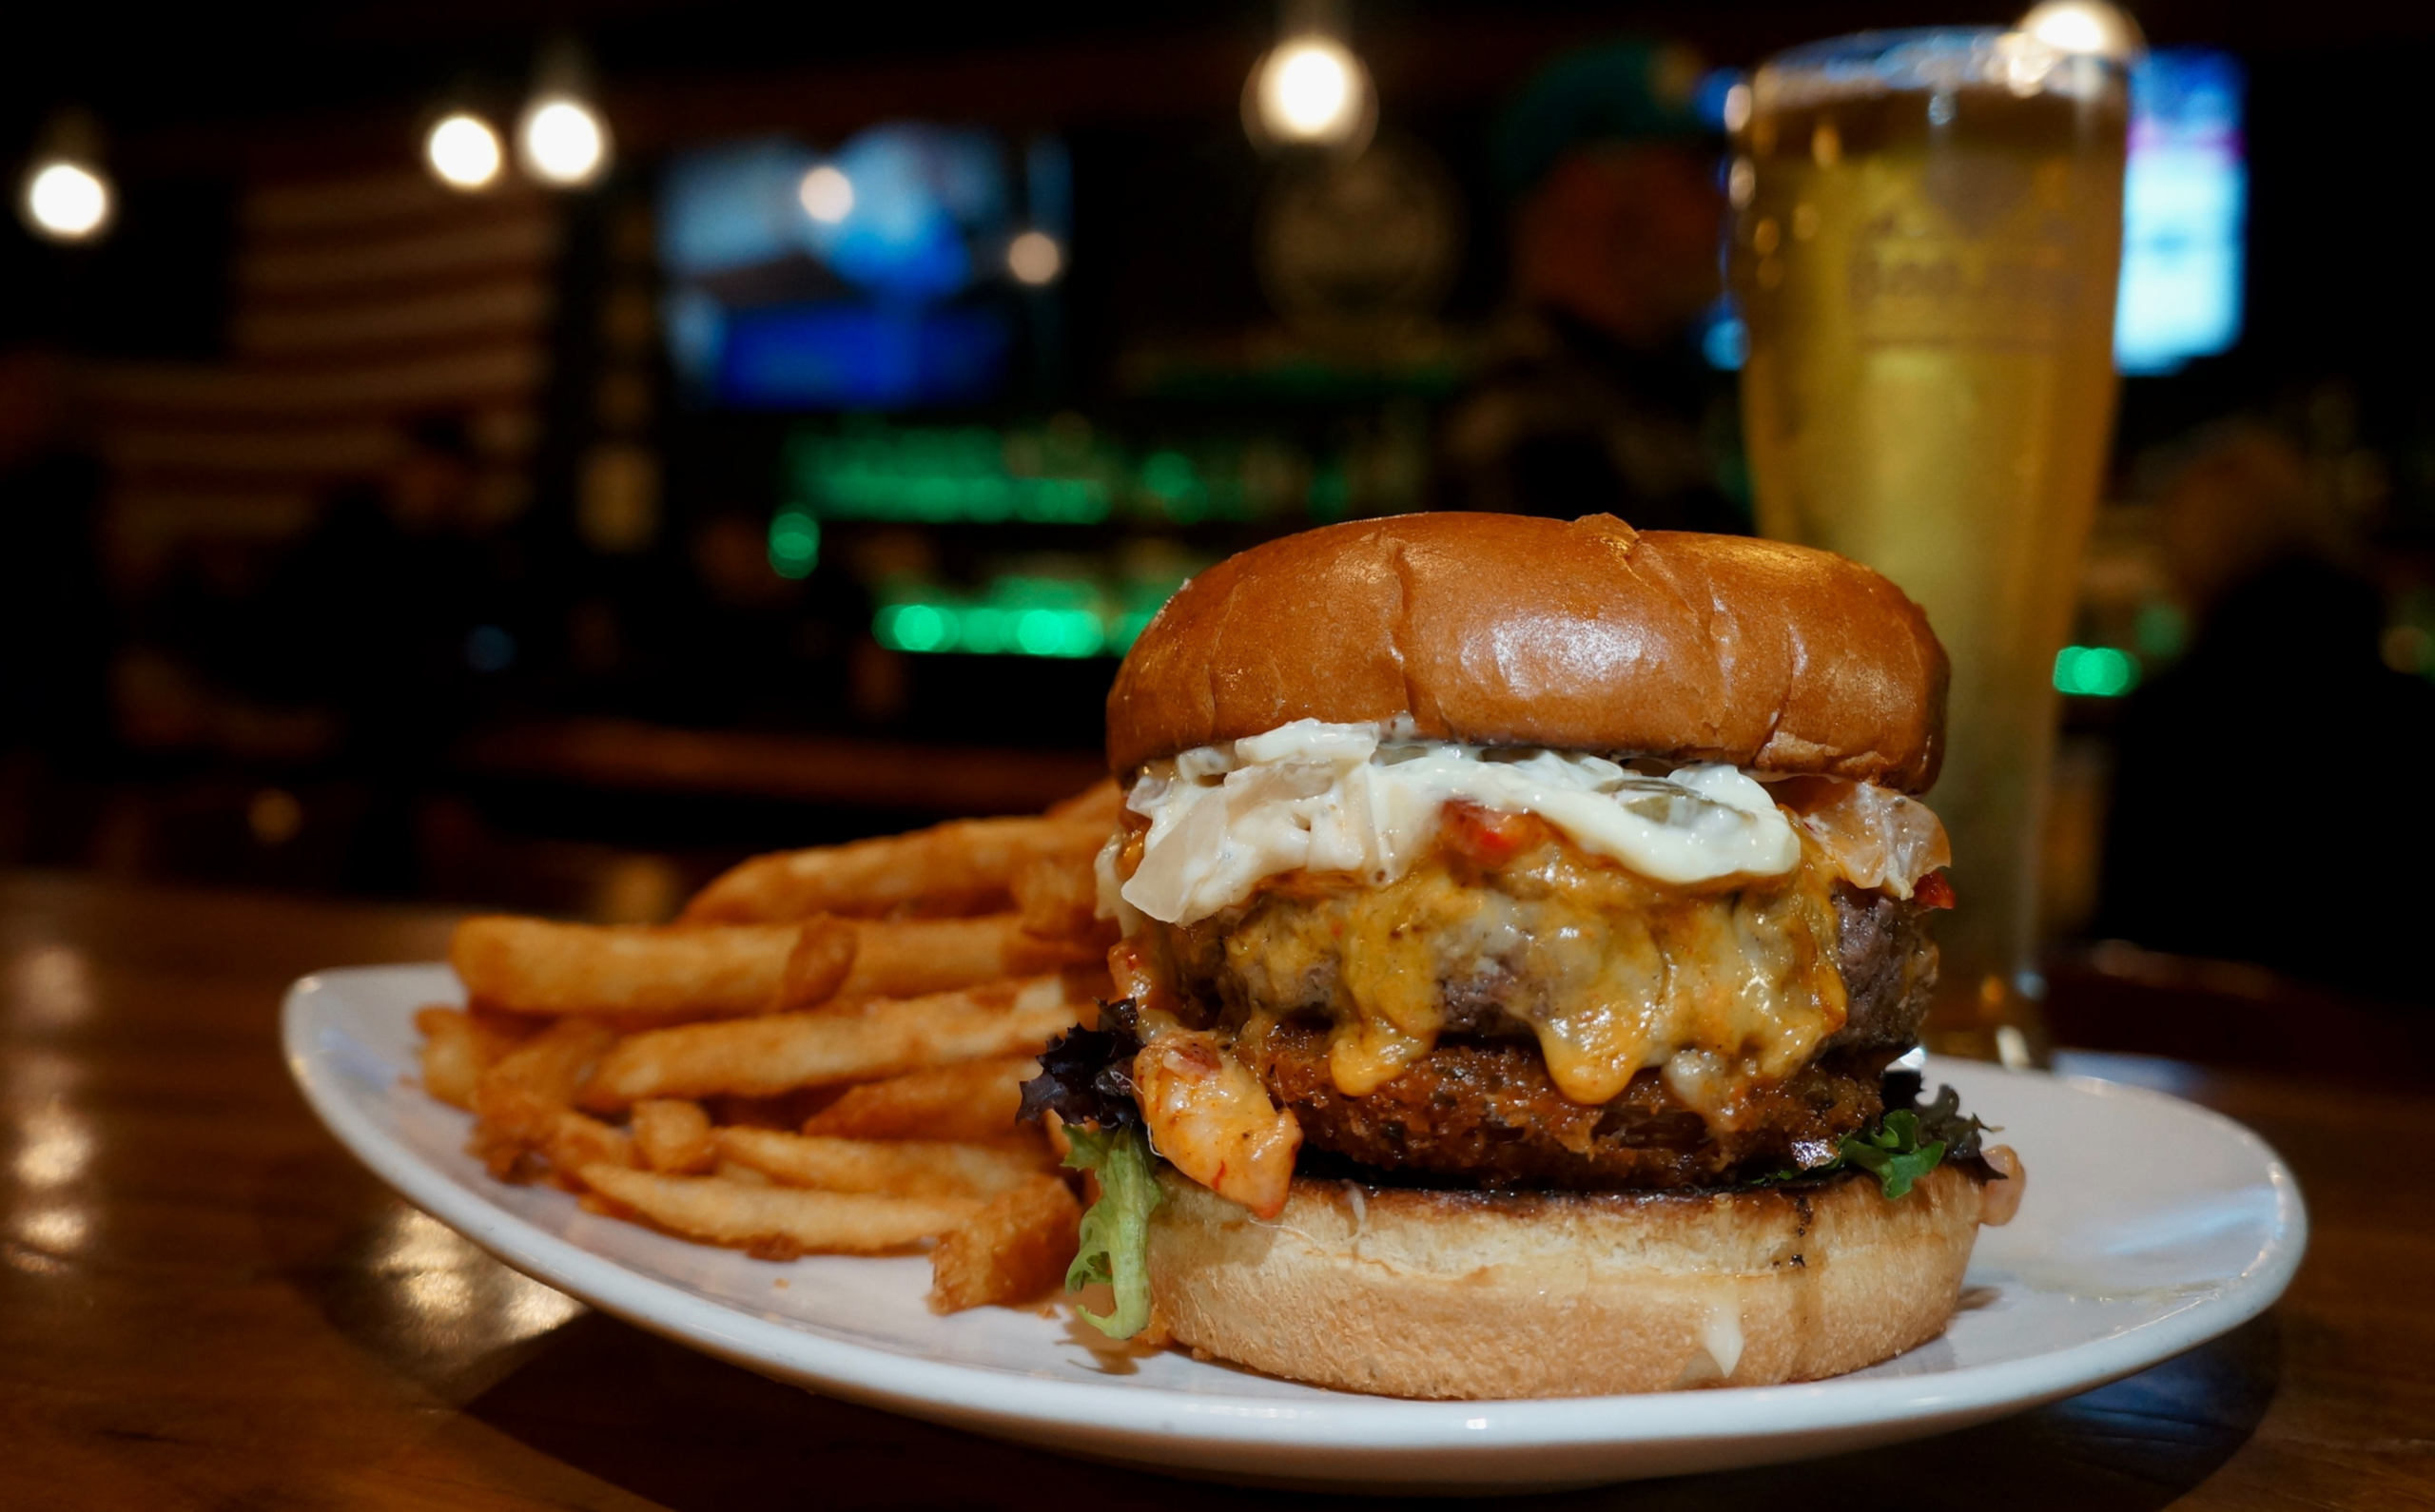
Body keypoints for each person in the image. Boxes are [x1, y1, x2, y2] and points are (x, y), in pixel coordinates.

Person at [2096, 425, 2435, 1005]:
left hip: (2208, 1037)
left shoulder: (2177, 718)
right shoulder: (2409, 709)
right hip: (2393, 1053)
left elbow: (2135, 913)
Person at [1434, 40, 1743, 532]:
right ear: (1586, 190)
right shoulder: (1526, 428)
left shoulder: (1637, 397)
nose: (1723, 206)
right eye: (1694, 174)